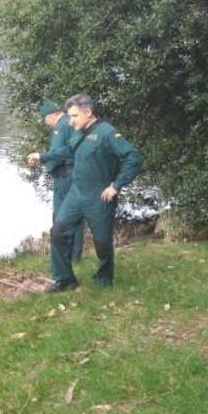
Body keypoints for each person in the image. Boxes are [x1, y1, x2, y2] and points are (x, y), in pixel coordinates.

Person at [47, 93, 141, 291]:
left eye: (74, 116)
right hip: (76, 193)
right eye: (69, 116)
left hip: (98, 196)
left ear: (88, 112)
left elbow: (133, 157)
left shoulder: (107, 133)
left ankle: (103, 280)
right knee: (57, 232)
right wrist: (43, 157)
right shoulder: (78, 132)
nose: (70, 121)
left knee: (102, 242)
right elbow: (67, 152)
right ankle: (64, 279)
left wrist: (116, 186)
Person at [27, 100, 84, 262]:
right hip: (76, 174)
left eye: (45, 120)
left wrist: (41, 160)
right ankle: (75, 256)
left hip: (65, 176)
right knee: (77, 216)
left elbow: (58, 154)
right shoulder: (71, 122)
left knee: (60, 216)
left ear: (51, 117)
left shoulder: (61, 127)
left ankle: (61, 257)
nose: (46, 124)